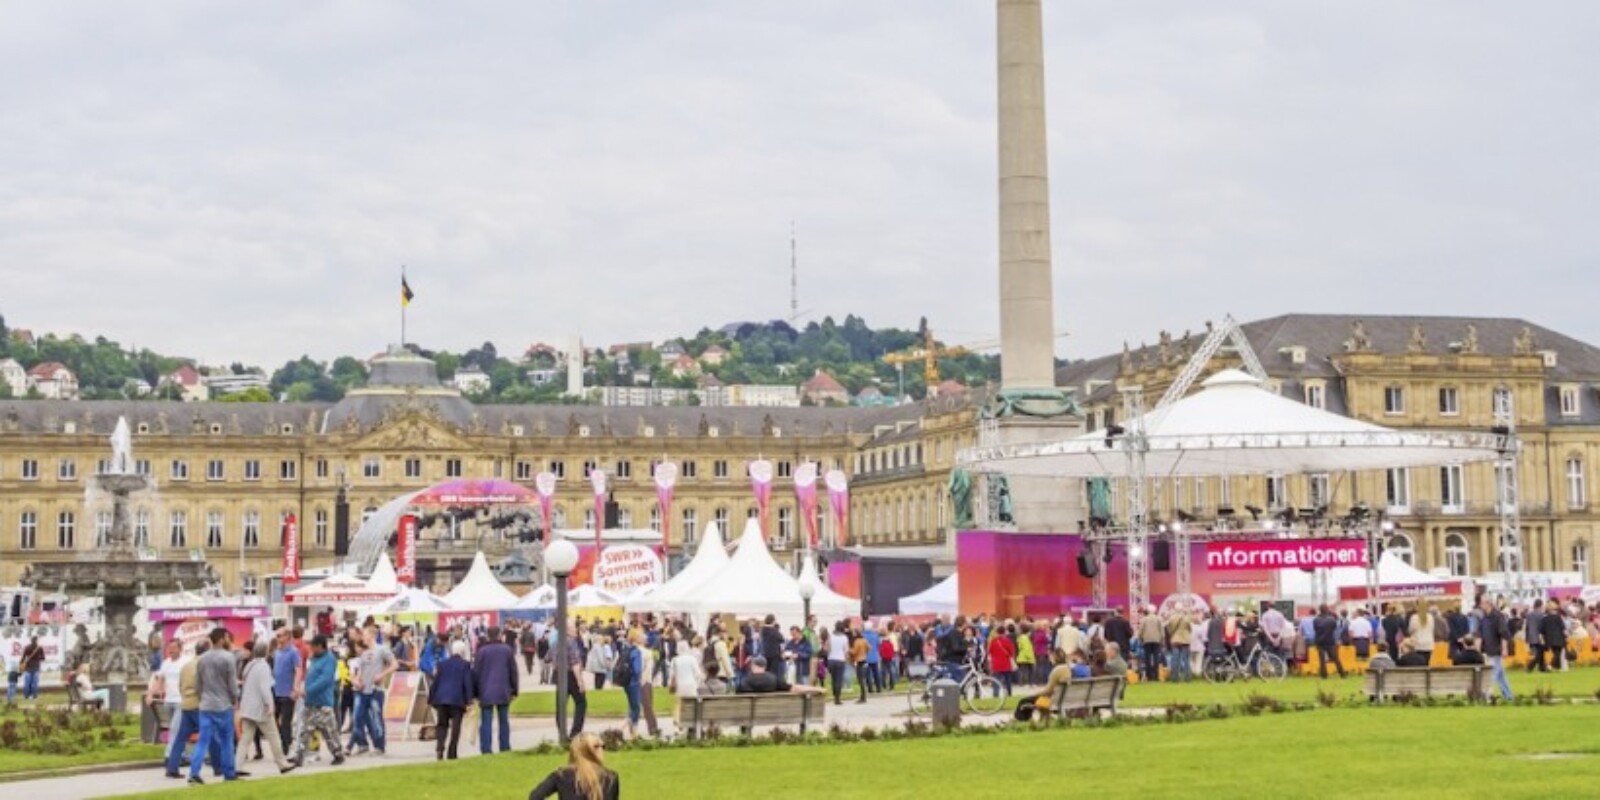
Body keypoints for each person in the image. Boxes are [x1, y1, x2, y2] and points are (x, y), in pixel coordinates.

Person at [189, 628, 241, 786]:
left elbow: (198, 684)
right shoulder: (228, 658)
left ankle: (194, 773)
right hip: (223, 705)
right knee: (226, 740)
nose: (228, 639)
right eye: (226, 637)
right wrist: (235, 698)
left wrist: (201, 698)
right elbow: (232, 684)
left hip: (206, 705)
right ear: (220, 639)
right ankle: (229, 773)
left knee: (202, 741)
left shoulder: (202, 659)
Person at [238, 642, 298, 774]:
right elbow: (265, 689)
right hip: (260, 708)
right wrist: (270, 705)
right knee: (273, 735)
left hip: (247, 706)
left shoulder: (249, 666)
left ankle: (237, 765)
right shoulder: (263, 667)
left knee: (245, 738)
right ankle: (282, 763)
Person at [527, 732, 620, 800]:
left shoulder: (561, 775)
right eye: (599, 747)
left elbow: (535, 796)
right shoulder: (610, 777)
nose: (603, 750)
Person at [349, 626, 396, 756]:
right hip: (363, 690)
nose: (363, 637)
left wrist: (382, 675)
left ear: (371, 636)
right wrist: (357, 680)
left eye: (364, 635)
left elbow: (394, 664)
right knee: (357, 717)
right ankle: (362, 743)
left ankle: (380, 746)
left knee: (376, 717)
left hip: (376, 690)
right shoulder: (364, 653)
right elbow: (361, 671)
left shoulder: (382, 650)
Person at [474, 625, 520, 754]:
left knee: (486, 721)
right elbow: (513, 671)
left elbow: (476, 673)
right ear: (500, 635)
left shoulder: (482, 651)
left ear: (488, 635)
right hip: (503, 689)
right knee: (503, 720)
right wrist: (515, 689)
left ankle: (486, 748)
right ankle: (504, 746)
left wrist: (475, 692)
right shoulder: (507, 650)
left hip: (486, 690)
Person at [300, 635, 345, 767]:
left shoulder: (329, 660)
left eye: (314, 647)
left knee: (329, 731)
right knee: (305, 730)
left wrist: (309, 689)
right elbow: (310, 676)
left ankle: (338, 753)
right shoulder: (314, 659)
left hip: (323, 702)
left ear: (320, 646)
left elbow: (325, 680)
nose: (312, 649)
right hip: (310, 701)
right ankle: (299, 755)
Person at [431, 640, 474, 761]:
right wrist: (469, 699)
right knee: (456, 726)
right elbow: (467, 683)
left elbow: (436, 682)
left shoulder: (442, 664)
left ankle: (440, 748)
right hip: (457, 699)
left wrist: (432, 698)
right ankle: (452, 751)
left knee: (442, 725)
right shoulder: (465, 665)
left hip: (442, 698)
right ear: (462, 652)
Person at [270, 626, 302, 758]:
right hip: (276, 690)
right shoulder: (277, 652)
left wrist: (295, 688)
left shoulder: (293, 652)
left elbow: (298, 670)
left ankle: (284, 749)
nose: (278, 638)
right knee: (273, 720)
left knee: (286, 722)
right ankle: (283, 743)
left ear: (287, 637)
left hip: (287, 692)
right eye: (277, 636)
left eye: (280, 635)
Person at [1478, 596, 1513, 701]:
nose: (1481, 605)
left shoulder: (1498, 616)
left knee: (1492, 674)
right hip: (1489, 649)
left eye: (1482, 603)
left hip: (1496, 650)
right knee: (1501, 676)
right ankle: (1509, 696)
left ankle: (1487, 694)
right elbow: (1481, 633)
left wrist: (1504, 648)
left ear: (1488, 603)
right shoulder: (1485, 617)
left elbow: (1503, 633)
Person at [736, 656, 824, 695]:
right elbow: (794, 687)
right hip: (771, 714)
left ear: (752, 666)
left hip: (748, 715)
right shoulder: (774, 679)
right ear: (765, 666)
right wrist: (815, 689)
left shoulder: (745, 681)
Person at [630, 630, 660, 737]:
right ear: (637, 639)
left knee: (634, 706)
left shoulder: (631, 651)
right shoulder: (645, 652)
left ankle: (633, 729)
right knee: (648, 707)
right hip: (644, 681)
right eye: (643, 636)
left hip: (634, 681)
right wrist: (644, 681)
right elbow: (647, 670)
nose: (646, 638)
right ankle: (653, 729)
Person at [1313, 605, 1346, 679]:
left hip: (1320, 641)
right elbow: (1334, 629)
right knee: (1335, 658)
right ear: (1327, 610)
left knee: (1322, 659)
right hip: (1330, 641)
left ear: (1319, 610)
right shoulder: (1331, 620)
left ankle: (1324, 675)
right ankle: (1342, 673)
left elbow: (1315, 629)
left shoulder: (1316, 620)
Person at [987, 624, 1016, 696]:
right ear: (1005, 632)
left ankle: (995, 695)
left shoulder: (993, 641)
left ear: (997, 632)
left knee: (996, 681)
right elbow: (1012, 653)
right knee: (1008, 681)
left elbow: (990, 651)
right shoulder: (1008, 641)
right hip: (1006, 664)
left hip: (996, 664)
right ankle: (1009, 694)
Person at [1540, 605, 1568, 672]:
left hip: (1549, 639)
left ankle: (1556, 667)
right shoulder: (1558, 617)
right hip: (1559, 638)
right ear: (1554, 610)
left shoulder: (1544, 619)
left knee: (1555, 652)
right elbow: (1563, 628)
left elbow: (1542, 630)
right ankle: (1550, 665)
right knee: (1558, 653)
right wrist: (1567, 635)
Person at [848, 625, 870, 704]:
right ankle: (863, 696)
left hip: (859, 661)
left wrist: (849, 650)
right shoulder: (864, 640)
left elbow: (854, 652)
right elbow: (869, 648)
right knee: (862, 680)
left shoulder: (857, 641)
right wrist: (865, 653)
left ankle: (863, 697)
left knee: (860, 680)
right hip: (864, 660)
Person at [20, 635, 44, 702]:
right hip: (36, 667)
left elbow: (23, 657)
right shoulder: (39, 648)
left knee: (27, 683)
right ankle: (34, 696)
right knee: (35, 683)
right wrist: (37, 658)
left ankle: (26, 696)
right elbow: (43, 658)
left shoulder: (27, 647)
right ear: (37, 640)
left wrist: (21, 666)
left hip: (28, 668)